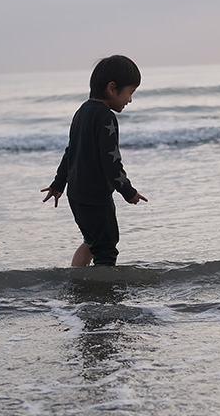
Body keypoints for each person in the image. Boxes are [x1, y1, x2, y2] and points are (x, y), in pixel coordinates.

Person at [41, 55, 148, 267]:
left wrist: (59, 184)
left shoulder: (81, 112)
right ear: (112, 88)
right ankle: (101, 287)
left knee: (91, 241)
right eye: (130, 92)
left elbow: (70, 152)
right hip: (95, 197)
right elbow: (111, 161)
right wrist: (127, 191)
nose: (130, 100)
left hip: (76, 194)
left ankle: (77, 279)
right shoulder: (106, 117)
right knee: (106, 247)